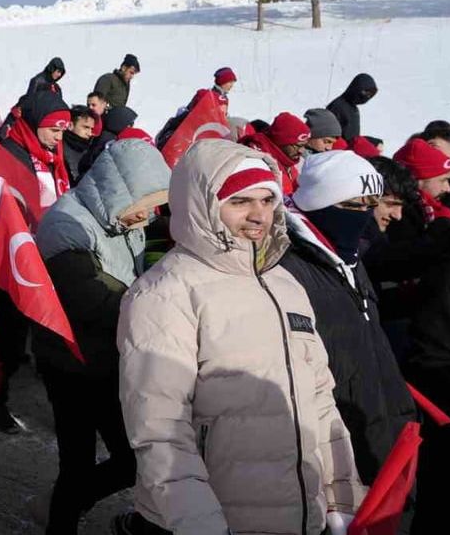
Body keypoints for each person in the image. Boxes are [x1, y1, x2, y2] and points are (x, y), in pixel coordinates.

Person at [115, 139, 363, 535]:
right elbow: (159, 428)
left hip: (301, 516)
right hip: (213, 518)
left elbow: (320, 400)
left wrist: (341, 499)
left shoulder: (286, 285)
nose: (258, 215)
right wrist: (201, 524)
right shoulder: (165, 292)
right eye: (240, 201)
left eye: (267, 200)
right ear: (202, 204)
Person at [36, 139, 169, 535]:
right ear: (117, 190)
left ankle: (71, 503)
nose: (146, 217)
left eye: (154, 207)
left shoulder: (123, 217)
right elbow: (91, 302)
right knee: (78, 462)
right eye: (142, 206)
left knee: (131, 460)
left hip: (112, 357)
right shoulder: (66, 227)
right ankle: (61, 521)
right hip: (71, 362)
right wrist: (161, 310)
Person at [278, 151, 417, 488]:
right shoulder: (290, 266)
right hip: (338, 443)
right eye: (355, 206)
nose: (365, 216)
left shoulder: (349, 260)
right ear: (322, 204)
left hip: (383, 430)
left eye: (371, 205)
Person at [0, 91, 72, 210]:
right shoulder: (6, 153)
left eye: (62, 131)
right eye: (54, 130)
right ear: (35, 123)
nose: (59, 137)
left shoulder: (53, 154)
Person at [240, 111, 310, 195]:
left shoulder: (286, 159)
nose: (301, 151)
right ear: (282, 141)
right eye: (298, 146)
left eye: (304, 145)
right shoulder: (258, 160)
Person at [78, 105, 136, 177]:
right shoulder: (108, 140)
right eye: (129, 124)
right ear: (120, 122)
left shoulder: (111, 137)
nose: (131, 127)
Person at [326, 73, 377, 145]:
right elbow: (328, 135)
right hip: (338, 149)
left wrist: (374, 142)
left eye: (370, 94)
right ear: (356, 88)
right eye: (365, 92)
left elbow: (353, 138)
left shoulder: (353, 108)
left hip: (349, 149)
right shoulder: (337, 106)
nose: (367, 97)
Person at [61, 105, 96, 186]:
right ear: (70, 125)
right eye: (86, 127)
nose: (89, 133)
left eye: (91, 129)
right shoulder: (58, 147)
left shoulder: (91, 150)